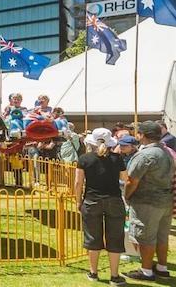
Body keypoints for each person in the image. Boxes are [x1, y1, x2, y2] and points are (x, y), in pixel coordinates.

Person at [75, 128, 127, 285]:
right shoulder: (117, 158)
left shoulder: (84, 159)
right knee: (115, 238)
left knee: (93, 237)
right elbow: (125, 179)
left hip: (92, 201)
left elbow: (78, 183)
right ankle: (114, 275)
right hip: (114, 200)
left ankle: (93, 272)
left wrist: (78, 201)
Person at [124, 120, 175, 280]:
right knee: (161, 236)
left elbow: (132, 181)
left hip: (147, 202)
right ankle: (162, 267)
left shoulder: (145, 154)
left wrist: (126, 196)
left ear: (142, 135)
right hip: (165, 200)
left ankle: (146, 270)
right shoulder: (167, 152)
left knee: (145, 236)